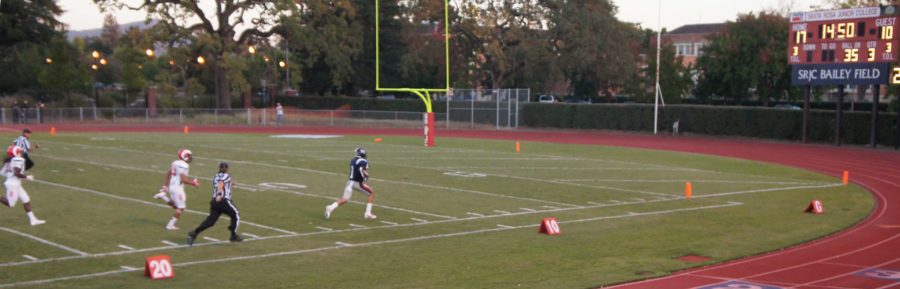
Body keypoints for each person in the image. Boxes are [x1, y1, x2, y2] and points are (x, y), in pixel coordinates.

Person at [187, 162, 243, 246]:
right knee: (236, 215)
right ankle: (233, 235)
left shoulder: (216, 176)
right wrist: (220, 195)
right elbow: (221, 183)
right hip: (223, 201)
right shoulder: (226, 176)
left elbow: (222, 183)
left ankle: (195, 233)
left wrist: (232, 184)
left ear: (219, 168)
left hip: (214, 202)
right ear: (227, 169)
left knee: (210, 221)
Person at [153, 149, 200, 230]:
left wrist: (165, 186)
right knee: (181, 208)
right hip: (177, 188)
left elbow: (168, 174)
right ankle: (170, 225)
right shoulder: (184, 165)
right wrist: (193, 183)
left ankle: (164, 197)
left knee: (177, 207)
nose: (191, 158)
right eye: (189, 156)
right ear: (185, 156)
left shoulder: (175, 162)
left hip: (172, 187)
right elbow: (183, 180)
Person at [325, 147, 377, 220]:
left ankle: (330, 207)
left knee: (345, 199)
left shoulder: (353, 160)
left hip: (349, 183)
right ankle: (368, 213)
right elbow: (361, 169)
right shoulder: (363, 161)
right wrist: (365, 176)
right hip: (357, 183)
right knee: (371, 193)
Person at [0, 146, 45, 226]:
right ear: (16, 153)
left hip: (15, 184)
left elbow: (2, 173)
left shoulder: (10, 161)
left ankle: (33, 220)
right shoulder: (18, 160)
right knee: (11, 204)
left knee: (26, 200)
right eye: (20, 152)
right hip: (13, 185)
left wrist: (10, 174)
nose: (21, 153)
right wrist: (27, 177)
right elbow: (17, 174)